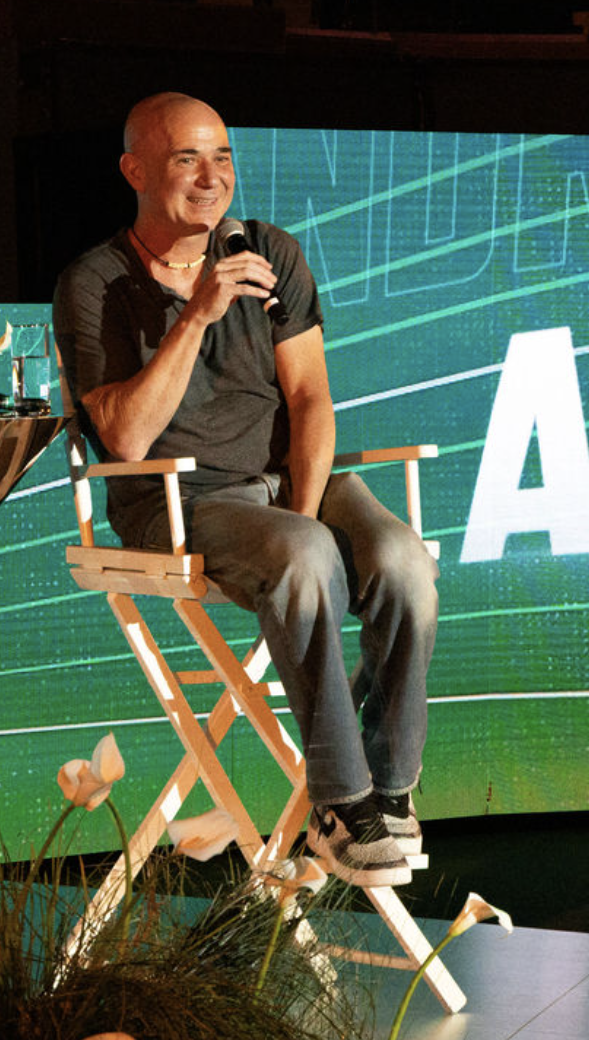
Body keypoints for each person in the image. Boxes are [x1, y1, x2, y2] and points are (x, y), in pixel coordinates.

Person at [53, 92, 439, 888]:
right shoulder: (94, 281)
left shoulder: (272, 251)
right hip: (176, 502)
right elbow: (123, 437)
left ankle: (390, 787)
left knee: (402, 558)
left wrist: (303, 511)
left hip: (287, 488)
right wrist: (196, 315)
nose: (212, 177)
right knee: (301, 558)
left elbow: (309, 399)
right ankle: (340, 802)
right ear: (134, 170)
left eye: (222, 156)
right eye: (186, 158)